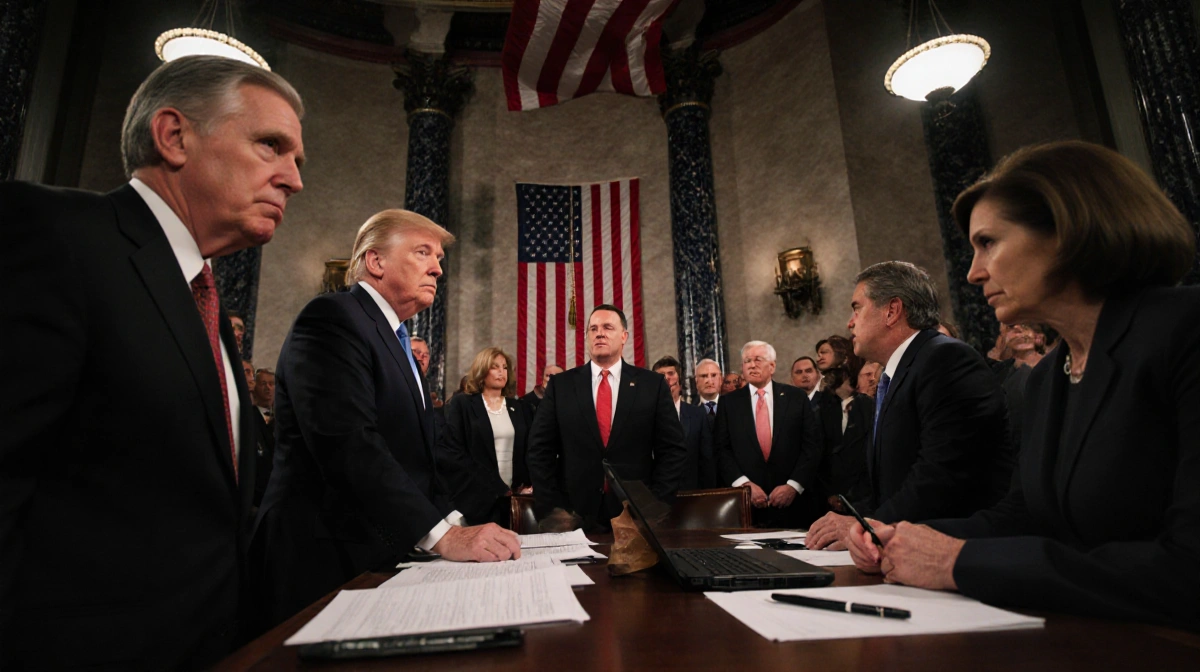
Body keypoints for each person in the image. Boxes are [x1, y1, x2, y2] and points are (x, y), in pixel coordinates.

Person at [0, 55, 304, 669]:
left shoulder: (204, 300)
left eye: (297, 161)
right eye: (272, 146)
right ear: (174, 136)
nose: (293, 180)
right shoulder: (55, 235)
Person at [845, 140, 1200, 631]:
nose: (973, 273)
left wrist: (957, 563)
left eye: (988, 242)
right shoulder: (1049, 379)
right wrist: (903, 537)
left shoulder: (1186, 330)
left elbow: (1188, 569)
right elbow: (1025, 515)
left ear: (1069, 231)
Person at [253, 209, 520, 628]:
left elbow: (418, 457)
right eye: (422, 252)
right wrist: (444, 537)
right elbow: (350, 445)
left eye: (439, 259)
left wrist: (457, 521)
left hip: (374, 550)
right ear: (376, 262)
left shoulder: (395, 338)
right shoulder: (333, 318)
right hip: (321, 558)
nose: (437, 267)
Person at [806, 261, 1010, 550]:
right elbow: (892, 480)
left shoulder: (945, 359)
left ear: (892, 310)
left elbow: (942, 476)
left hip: (950, 551)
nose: (850, 322)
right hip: (903, 547)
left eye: (857, 308)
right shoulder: (899, 371)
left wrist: (869, 527)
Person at [526, 305, 687, 530]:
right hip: (572, 514)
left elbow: (672, 450)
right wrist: (553, 506)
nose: (599, 333)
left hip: (637, 516)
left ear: (624, 336)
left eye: (607, 327)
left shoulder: (652, 385)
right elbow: (539, 449)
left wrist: (655, 504)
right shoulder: (561, 386)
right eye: (593, 329)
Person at [713, 341, 823, 527]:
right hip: (747, 508)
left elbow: (812, 446)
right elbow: (721, 449)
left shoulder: (796, 397)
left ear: (772, 366)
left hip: (794, 505)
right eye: (747, 361)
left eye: (758, 359)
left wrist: (793, 486)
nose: (752, 365)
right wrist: (744, 485)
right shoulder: (729, 403)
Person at [439, 347, 531, 527]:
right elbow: (454, 452)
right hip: (474, 499)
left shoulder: (520, 408)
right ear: (482, 370)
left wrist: (526, 484)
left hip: (512, 500)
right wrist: (496, 486)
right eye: (495, 367)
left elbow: (529, 449)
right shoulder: (463, 404)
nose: (501, 372)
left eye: (505, 367)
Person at [812, 365, 873, 515]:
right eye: (867, 375)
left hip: (865, 493)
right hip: (833, 490)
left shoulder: (868, 407)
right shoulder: (826, 410)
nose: (872, 379)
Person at [653, 355, 715, 490]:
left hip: (692, 493)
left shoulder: (698, 414)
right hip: (657, 494)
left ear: (679, 380)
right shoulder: (647, 416)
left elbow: (706, 460)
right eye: (661, 375)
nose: (667, 378)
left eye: (671, 373)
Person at [693, 358, 723, 424]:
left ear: (721, 379)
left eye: (713, 375)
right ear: (696, 382)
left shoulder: (733, 407)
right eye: (704, 376)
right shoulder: (688, 411)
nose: (710, 381)